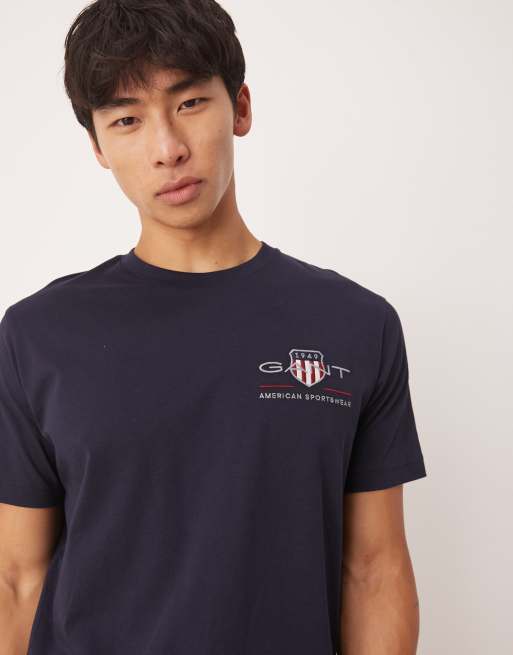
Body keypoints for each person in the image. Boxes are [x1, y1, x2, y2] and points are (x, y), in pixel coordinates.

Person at [0, 1, 427, 653]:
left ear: (240, 107)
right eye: (126, 119)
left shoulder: (355, 325)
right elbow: (17, 579)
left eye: (190, 103)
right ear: (98, 147)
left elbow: (374, 571)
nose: (167, 149)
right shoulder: (37, 336)